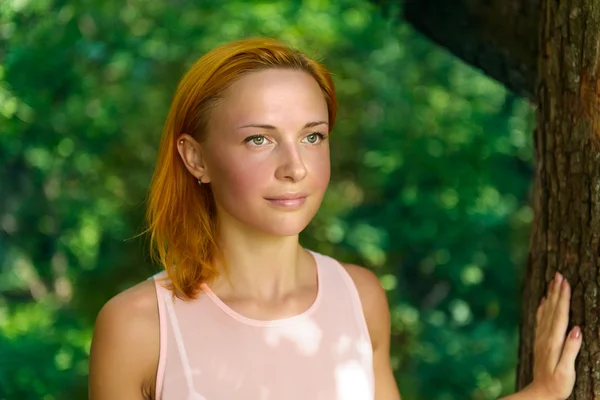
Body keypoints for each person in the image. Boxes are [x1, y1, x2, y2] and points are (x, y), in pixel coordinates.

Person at [88, 38, 582, 400]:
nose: (295, 167)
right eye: (258, 139)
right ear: (196, 159)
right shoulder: (138, 327)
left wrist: (543, 393)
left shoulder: (359, 298)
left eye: (312, 136)